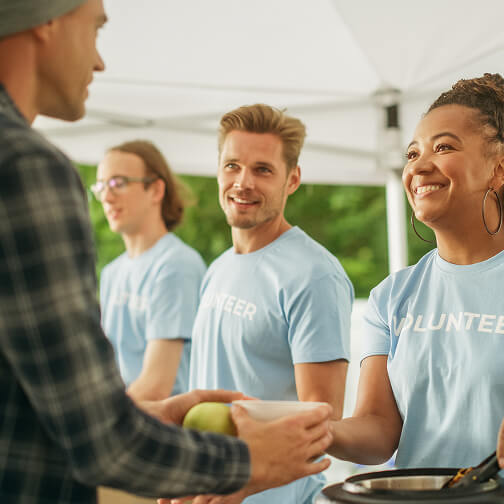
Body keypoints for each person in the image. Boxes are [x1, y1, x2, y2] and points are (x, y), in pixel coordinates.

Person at [0, 2, 335, 502]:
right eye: (95, 29)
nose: (99, 62)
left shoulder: (303, 272)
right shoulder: (25, 165)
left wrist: (160, 424)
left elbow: (48, 403)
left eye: (262, 169)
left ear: (293, 180)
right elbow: (99, 435)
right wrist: (241, 464)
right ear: (48, 19)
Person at [326, 73, 504, 471]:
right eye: (411, 154)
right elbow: (378, 430)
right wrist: (321, 431)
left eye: (443, 147)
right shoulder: (391, 296)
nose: (420, 166)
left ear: (499, 169)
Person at [183, 104, 354, 504]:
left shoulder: (315, 275)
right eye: (232, 166)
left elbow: (321, 419)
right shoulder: (219, 268)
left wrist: (243, 485)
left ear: (292, 179)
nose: (243, 182)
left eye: (262, 170)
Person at [95, 140, 206, 400]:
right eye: (101, 186)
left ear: (156, 190)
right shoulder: (113, 272)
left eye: (118, 183)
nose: (107, 197)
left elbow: (156, 387)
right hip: (128, 417)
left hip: (165, 429)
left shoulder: (176, 266)